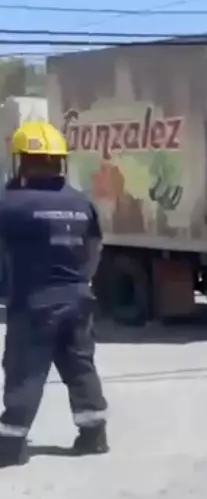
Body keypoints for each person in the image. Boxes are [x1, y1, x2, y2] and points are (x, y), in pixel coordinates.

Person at [0, 120, 110, 468]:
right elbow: (95, 249)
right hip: (78, 299)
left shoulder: (10, 203)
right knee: (80, 366)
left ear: (22, 160)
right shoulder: (81, 202)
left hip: (34, 303)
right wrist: (81, 282)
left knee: (24, 371)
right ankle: (93, 435)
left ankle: (10, 446)